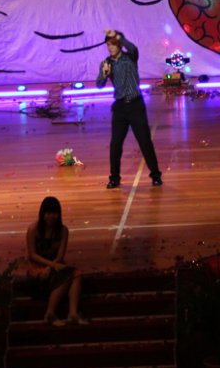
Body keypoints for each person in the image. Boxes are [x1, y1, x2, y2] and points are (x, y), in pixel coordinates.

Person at [96, 29, 163, 189]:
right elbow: (99, 85)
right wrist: (104, 74)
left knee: (144, 141)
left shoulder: (130, 57)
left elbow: (133, 48)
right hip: (120, 107)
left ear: (119, 44)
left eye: (113, 44)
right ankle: (114, 178)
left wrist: (118, 36)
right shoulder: (106, 63)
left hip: (135, 105)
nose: (110, 48)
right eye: (108, 45)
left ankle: (155, 175)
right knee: (115, 145)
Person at [25, 196, 89, 326]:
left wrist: (52, 266)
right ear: (42, 214)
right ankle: (50, 313)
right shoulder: (33, 230)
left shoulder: (63, 231)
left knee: (76, 275)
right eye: (48, 213)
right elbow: (32, 255)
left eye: (54, 213)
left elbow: (60, 255)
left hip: (55, 265)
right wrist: (51, 266)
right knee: (66, 277)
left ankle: (72, 313)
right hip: (38, 267)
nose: (51, 216)